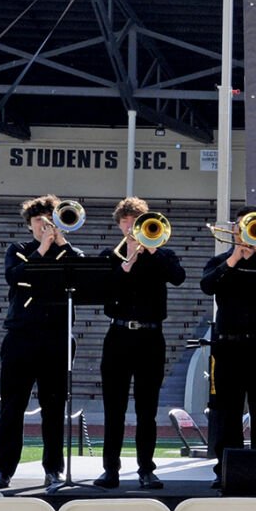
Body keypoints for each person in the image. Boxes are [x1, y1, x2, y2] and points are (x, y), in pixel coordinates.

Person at [0, 193, 83, 491]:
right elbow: (15, 277)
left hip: (57, 338)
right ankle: (3, 470)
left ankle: (53, 470)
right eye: (38, 221)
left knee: (54, 407)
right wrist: (43, 247)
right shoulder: (18, 250)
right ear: (30, 224)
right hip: (21, 337)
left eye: (50, 221)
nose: (44, 226)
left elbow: (82, 279)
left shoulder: (70, 252)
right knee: (12, 406)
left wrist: (60, 244)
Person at [96, 197, 185, 490]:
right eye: (126, 222)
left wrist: (151, 250)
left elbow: (178, 277)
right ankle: (111, 470)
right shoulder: (109, 257)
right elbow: (105, 292)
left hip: (150, 337)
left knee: (147, 409)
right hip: (119, 336)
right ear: (120, 225)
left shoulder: (163, 255)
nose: (132, 227)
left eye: (137, 221)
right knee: (115, 408)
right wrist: (129, 260)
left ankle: (146, 469)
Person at [199, 205, 256, 472]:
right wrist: (235, 257)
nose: (245, 231)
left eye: (253, 225)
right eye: (241, 226)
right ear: (234, 229)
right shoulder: (221, 262)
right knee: (227, 411)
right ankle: (227, 469)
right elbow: (207, 285)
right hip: (228, 345)